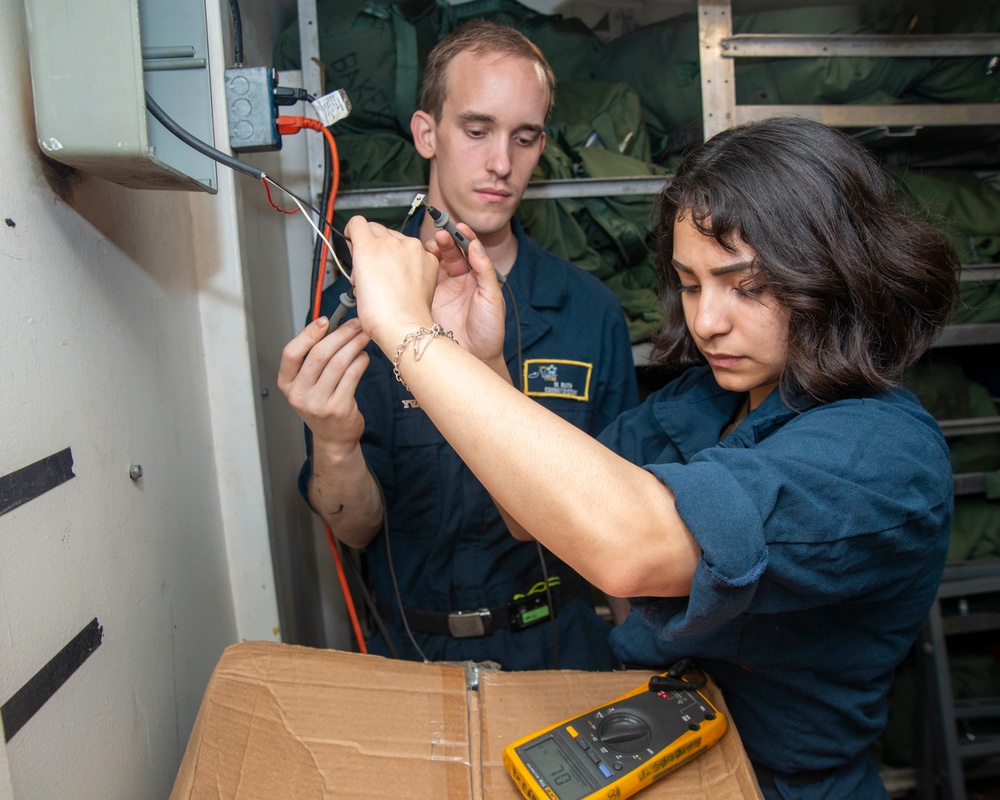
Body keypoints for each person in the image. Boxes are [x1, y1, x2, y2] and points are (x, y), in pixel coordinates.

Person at [332, 116, 960, 798]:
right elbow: (540, 521)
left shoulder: (881, 455)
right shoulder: (703, 400)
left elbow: (625, 548)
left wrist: (406, 331)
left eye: (744, 286)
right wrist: (482, 361)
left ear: (835, 274)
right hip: (658, 747)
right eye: (691, 285)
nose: (708, 321)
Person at [278, 20, 638, 669]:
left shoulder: (590, 313)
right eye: (477, 131)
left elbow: (621, 522)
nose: (501, 163)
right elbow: (356, 526)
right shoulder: (366, 305)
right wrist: (333, 441)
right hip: (412, 655)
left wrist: (646, 663)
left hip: (555, 650)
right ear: (426, 133)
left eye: (524, 138)